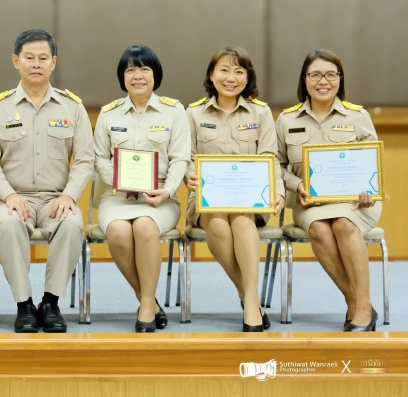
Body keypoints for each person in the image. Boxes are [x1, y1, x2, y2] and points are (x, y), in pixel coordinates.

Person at [0, 29, 94, 333]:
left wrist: (69, 196)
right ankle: (24, 304)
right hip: (13, 197)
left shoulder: (72, 107)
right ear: (16, 61)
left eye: (43, 58)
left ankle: (51, 302)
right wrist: (8, 195)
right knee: (9, 224)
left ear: (54, 62)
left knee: (71, 224)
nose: (36, 64)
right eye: (29, 58)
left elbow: (84, 160)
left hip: (57, 197)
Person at [275, 49, 380, 332]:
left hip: (357, 202)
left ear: (339, 79)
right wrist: (297, 185)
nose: (324, 81)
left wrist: (369, 189)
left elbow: (373, 163)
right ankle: (356, 301)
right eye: (316, 75)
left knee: (344, 225)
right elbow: (276, 164)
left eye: (331, 74)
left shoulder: (357, 116)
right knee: (321, 229)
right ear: (305, 79)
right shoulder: (287, 119)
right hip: (311, 205)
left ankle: (363, 304)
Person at [184, 46, 284, 332]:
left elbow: (269, 158)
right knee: (217, 222)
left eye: (239, 71)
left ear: (247, 77)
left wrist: (277, 192)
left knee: (240, 220)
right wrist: (189, 176)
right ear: (211, 75)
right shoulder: (192, 113)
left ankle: (249, 302)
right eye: (224, 70)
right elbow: (186, 159)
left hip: (249, 200)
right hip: (206, 201)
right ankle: (249, 295)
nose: (231, 77)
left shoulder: (261, 113)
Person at [94, 45, 190, 332]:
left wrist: (168, 191)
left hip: (160, 198)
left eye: (144, 69)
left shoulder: (174, 112)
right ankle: (147, 298)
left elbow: (181, 158)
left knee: (145, 227)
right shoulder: (109, 114)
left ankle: (147, 304)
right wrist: (118, 181)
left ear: (155, 75)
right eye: (130, 70)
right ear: (122, 77)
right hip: (118, 197)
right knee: (119, 231)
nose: (138, 76)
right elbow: (99, 158)